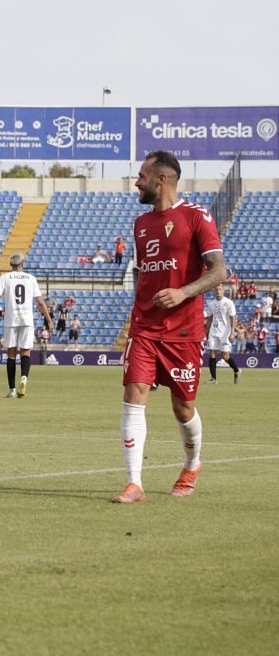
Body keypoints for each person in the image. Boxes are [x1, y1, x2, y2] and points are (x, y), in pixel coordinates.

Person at [113, 150, 226, 504]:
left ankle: (192, 464)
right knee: (134, 395)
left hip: (183, 332)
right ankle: (135, 483)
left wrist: (183, 293)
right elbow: (147, 275)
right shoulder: (140, 223)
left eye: (142, 176)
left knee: (183, 408)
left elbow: (219, 271)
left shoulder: (197, 216)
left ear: (162, 179)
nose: (137, 181)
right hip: (145, 327)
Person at [0, 254, 53, 398]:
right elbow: (40, 302)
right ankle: (24, 378)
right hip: (27, 320)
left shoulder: (5, 278)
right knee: (25, 353)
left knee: (11, 355)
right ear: (22, 264)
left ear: (11, 264)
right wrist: (49, 319)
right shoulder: (31, 278)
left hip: (11, 320)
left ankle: (12, 389)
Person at [204, 285, 240, 385]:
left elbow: (233, 318)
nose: (218, 291)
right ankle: (213, 379)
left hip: (225, 332)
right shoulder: (211, 304)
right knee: (212, 353)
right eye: (216, 290)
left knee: (225, 356)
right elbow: (210, 319)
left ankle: (236, 370)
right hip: (214, 331)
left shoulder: (229, 303)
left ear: (223, 291)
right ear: (214, 291)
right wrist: (206, 333)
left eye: (219, 289)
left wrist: (232, 333)